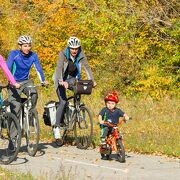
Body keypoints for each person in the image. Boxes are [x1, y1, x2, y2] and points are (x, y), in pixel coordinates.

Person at [53, 36, 96, 145]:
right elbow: (58, 68)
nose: (74, 51)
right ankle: (56, 127)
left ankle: (76, 110)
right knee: (63, 102)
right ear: (69, 48)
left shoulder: (81, 55)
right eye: (72, 48)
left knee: (78, 91)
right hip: (60, 78)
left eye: (76, 48)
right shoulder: (63, 54)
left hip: (72, 79)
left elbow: (87, 68)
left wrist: (92, 81)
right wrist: (61, 81)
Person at [6, 35, 48, 118]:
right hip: (14, 82)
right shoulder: (14, 54)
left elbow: (38, 69)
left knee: (34, 94)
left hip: (26, 81)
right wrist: (12, 82)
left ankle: (29, 114)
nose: (27, 48)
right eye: (25, 46)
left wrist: (43, 80)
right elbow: (7, 69)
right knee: (15, 109)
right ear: (20, 46)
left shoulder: (33, 55)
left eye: (29, 45)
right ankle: (15, 130)